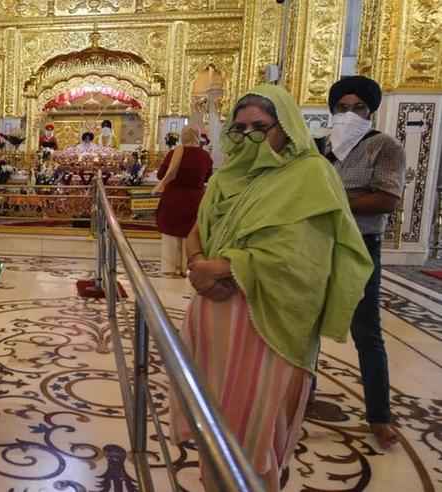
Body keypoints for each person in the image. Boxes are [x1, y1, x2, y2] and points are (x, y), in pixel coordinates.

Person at [171, 85, 372, 491]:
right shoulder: (229, 175)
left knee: (255, 427)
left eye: (261, 128)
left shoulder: (310, 175)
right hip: (214, 314)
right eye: (240, 129)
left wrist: (220, 268)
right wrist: (197, 265)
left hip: (267, 321)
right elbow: (197, 229)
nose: (250, 138)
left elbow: (302, 258)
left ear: (287, 128)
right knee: (215, 422)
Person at [322, 75, 405, 449]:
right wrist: (356, 193)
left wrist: (332, 197)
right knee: (305, 321)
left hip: (360, 244)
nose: (349, 114)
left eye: (358, 108)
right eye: (342, 108)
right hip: (318, 242)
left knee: (366, 330)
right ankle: (300, 394)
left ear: (370, 111)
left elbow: (387, 199)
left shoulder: (383, 147)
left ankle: (379, 415)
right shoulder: (322, 148)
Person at [153, 126, 212, 275]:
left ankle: (169, 269)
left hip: (173, 199)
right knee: (190, 234)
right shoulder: (205, 156)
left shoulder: (174, 153)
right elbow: (208, 177)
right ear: (197, 136)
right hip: (194, 200)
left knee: (170, 236)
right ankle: (187, 268)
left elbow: (161, 175)